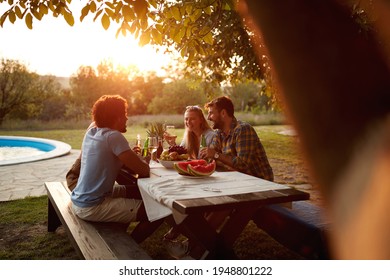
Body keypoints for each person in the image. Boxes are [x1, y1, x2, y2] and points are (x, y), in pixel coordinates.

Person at [70, 95, 161, 242]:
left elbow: (113, 157)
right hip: (92, 206)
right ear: (116, 117)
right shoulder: (113, 136)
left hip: (81, 198)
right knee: (159, 210)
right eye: (124, 114)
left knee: (139, 191)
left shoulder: (92, 132)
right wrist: (142, 159)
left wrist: (130, 155)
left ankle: (125, 234)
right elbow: (143, 170)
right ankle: (131, 249)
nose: (126, 119)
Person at [200, 96, 274, 181]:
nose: (208, 117)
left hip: (260, 183)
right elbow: (211, 159)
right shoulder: (219, 133)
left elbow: (242, 164)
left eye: (211, 113)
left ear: (223, 113)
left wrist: (216, 155)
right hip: (238, 180)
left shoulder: (243, 129)